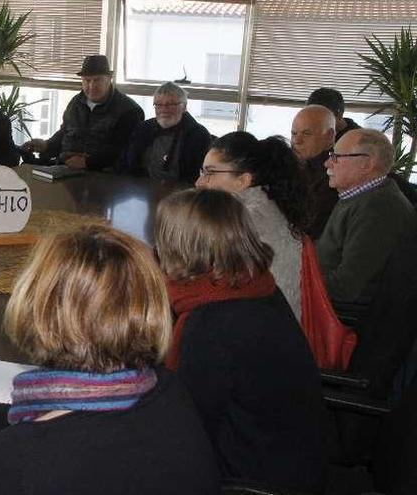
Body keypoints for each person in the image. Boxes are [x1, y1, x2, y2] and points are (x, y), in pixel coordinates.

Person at [0, 225, 219, 495]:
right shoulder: (167, 391)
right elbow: (54, 425)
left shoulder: (15, 464)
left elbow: (47, 436)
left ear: (39, 311)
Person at [154, 188, 326, 493]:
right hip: (293, 458)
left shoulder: (210, 324)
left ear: (178, 248)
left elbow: (185, 428)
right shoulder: (255, 285)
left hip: (251, 476)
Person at [196, 131, 311, 319]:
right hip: (276, 322)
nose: (199, 182)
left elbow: (206, 283)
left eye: (210, 173)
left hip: (262, 329)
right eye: (202, 172)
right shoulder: (266, 202)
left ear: (243, 180)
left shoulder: (244, 219)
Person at [318, 129, 417, 320]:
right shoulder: (359, 195)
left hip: (343, 317)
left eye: (336, 157)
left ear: (366, 164)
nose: (327, 163)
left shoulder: (379, 208)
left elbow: (348, 288)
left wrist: (297, 282)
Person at [24, 55, 144, 171]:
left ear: (109, 79)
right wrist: (47, 145)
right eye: (87, 80)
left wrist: (87, 163)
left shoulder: (129, 111)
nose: (91, 86)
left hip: (103, 175)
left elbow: (123, 151)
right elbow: (65, 133)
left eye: (97, 80)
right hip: (64, 167)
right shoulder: (76, 102)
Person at [121, 82, 211, 183]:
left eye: (170, 105)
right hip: (141, 187)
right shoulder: (143, 128)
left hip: (180, 191)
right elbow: (127, 164)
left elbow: (198, 176)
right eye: (158, 105)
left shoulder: (198, 135)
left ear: (184, 107)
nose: (164, 110)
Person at [291, 104, 338, 238]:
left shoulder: (335, 171)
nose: (296, 141)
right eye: (294, 133)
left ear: (329, 136)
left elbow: (310, 227)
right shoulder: (294, 165)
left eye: (307, 134)